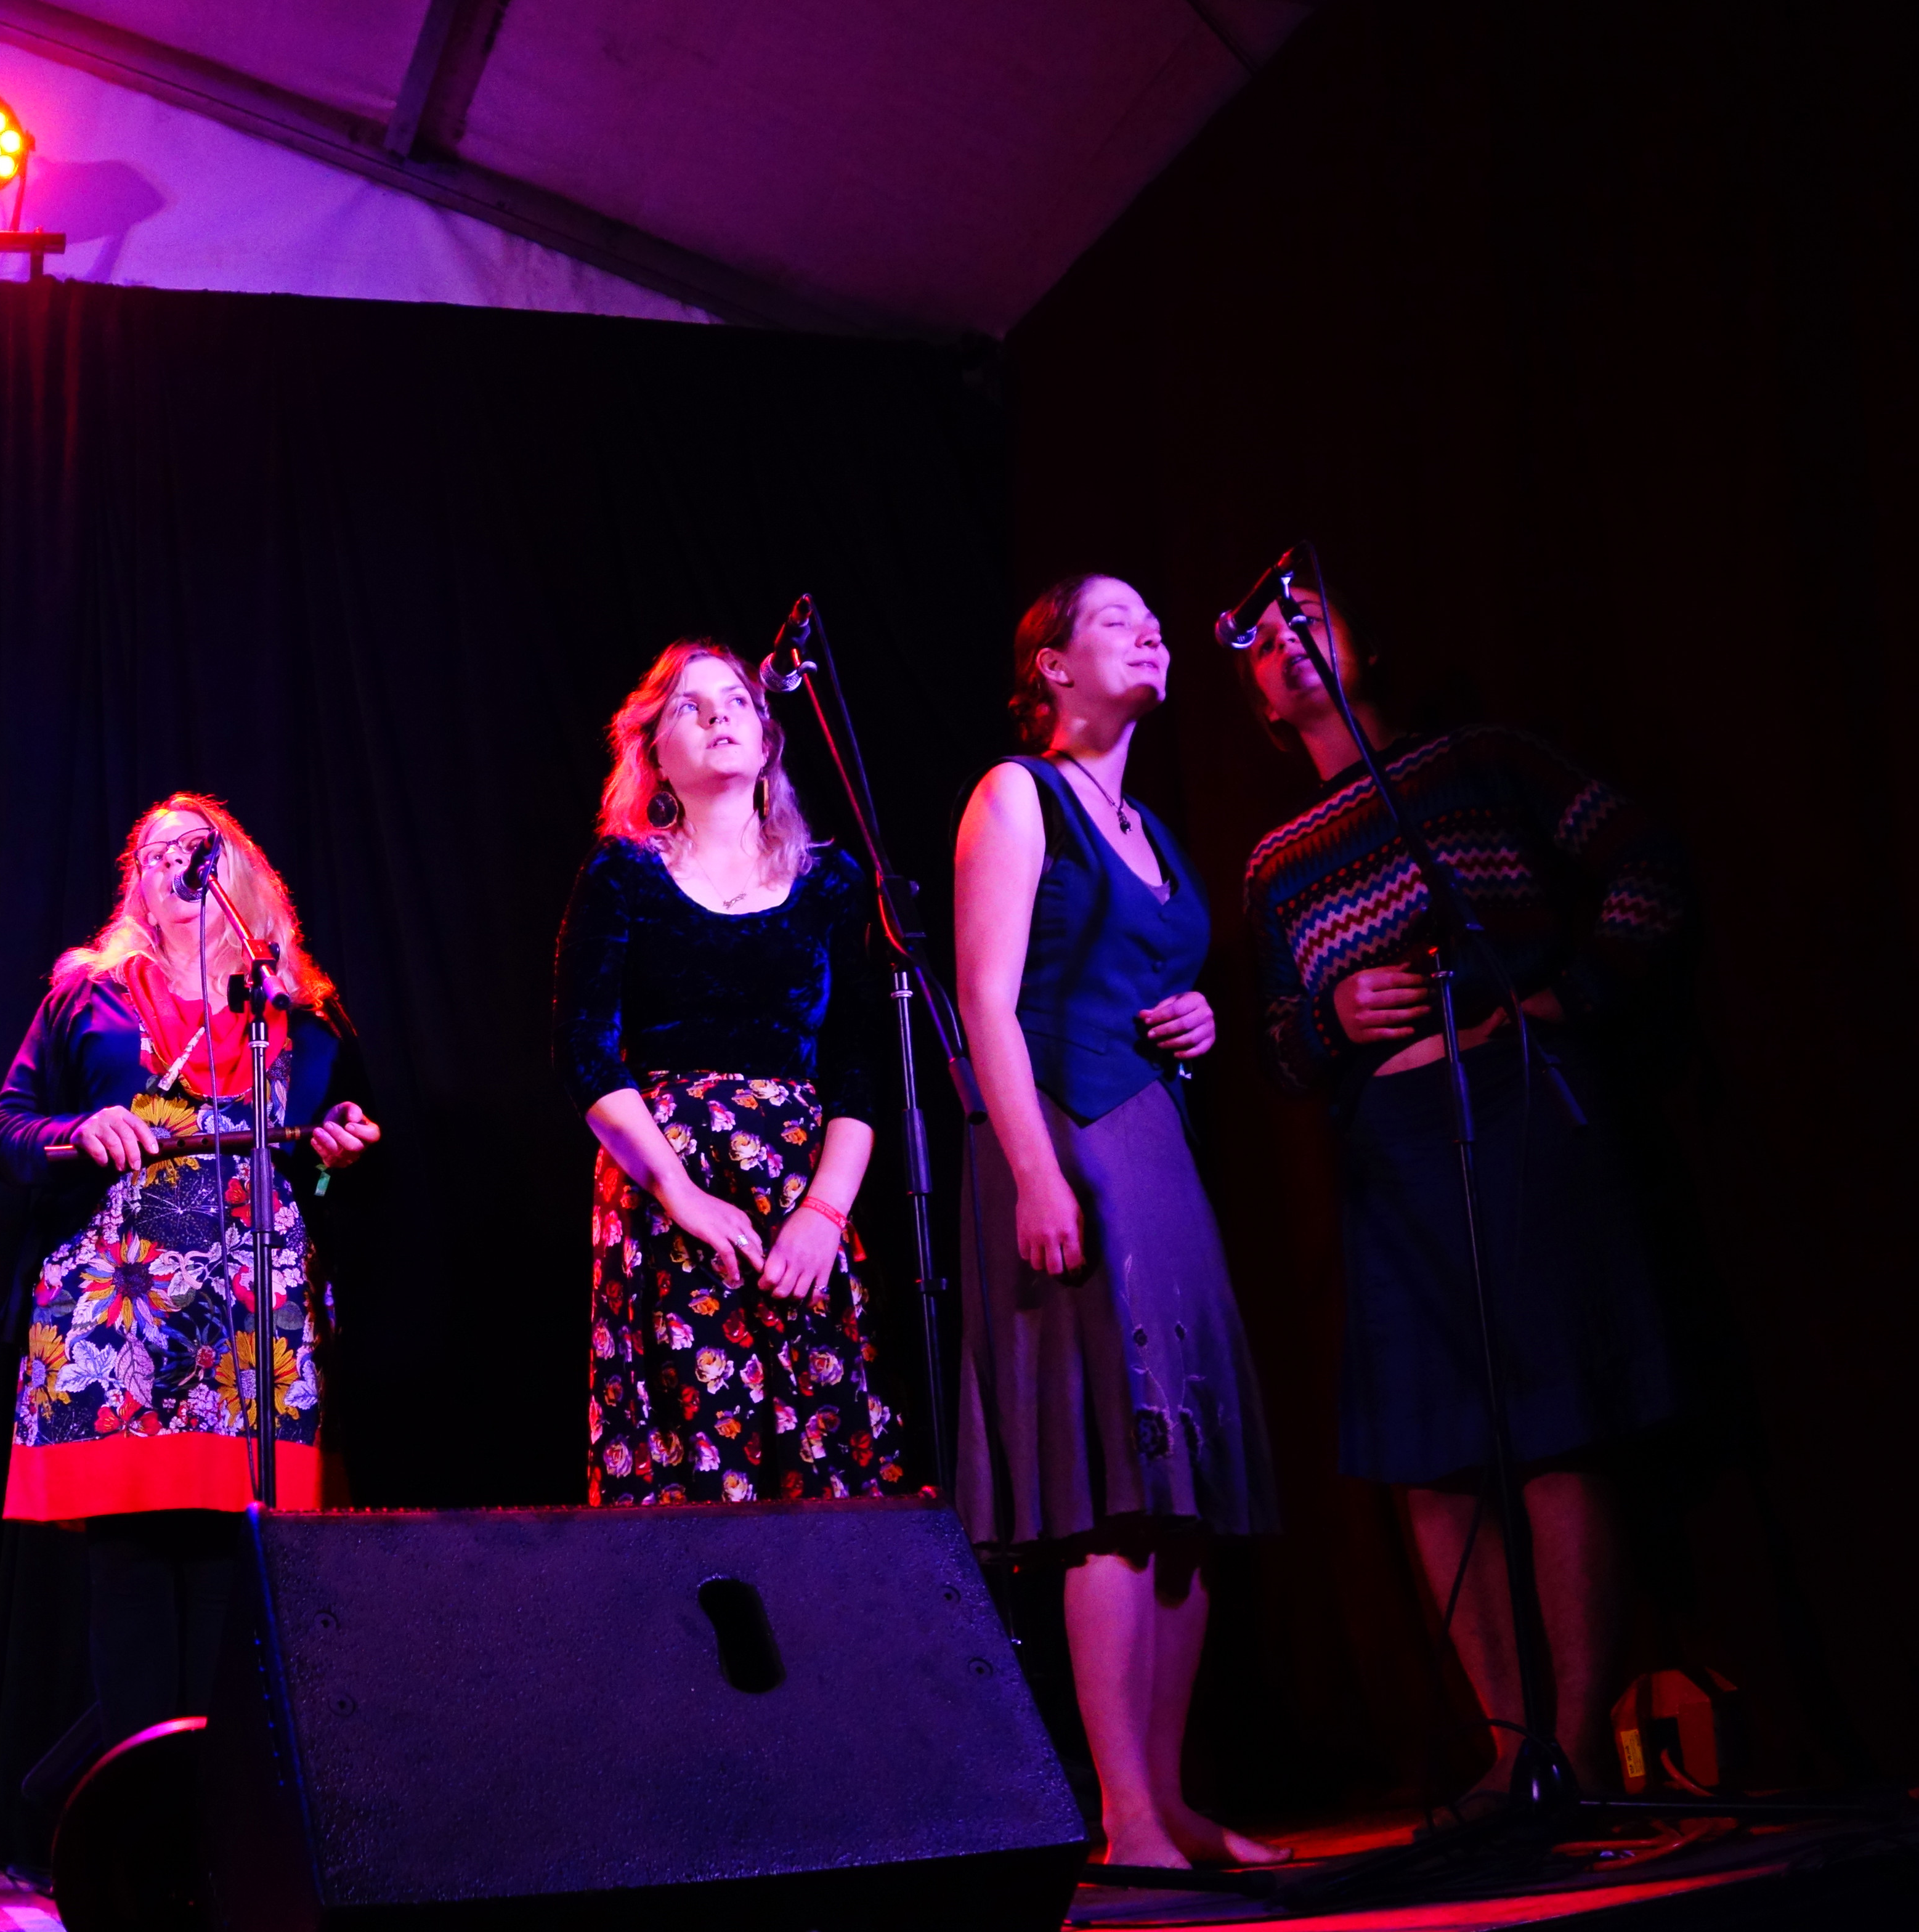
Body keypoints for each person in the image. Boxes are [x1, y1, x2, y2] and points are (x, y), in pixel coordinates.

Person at [1235, 582, 1685, 1801]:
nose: (1285, 643)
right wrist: (1327, 1019)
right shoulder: (1274, 859)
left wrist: (1572, 994)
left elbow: (1641, 858)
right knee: (1431, 1448)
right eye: (1262, 643)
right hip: (1391, 1147)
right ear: (1259, 704)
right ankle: (1506, 1756)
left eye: (1305, 617)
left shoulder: (1480, 759)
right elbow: (1273, 1046)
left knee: (1555, 1421)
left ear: (1365, 641)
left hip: (1520, 1101)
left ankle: (1577, 1749)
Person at [947, 577, 1280, 1869]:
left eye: (1153, 620)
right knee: (1115, 1482)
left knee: (1185, 1484)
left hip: (1154, 1146)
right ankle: (1125, 1812)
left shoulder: (1148, 826)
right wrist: (1035, 1175)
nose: (1151, 633)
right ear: (1051, 664)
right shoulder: (1014, 794)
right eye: (1115, 620)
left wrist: (1196, 1018)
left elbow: (1151, 974)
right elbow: (984, 997)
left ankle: (1173, 1797)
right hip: (1063, 1138)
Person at [0, 795, 379, 1796]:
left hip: (251, 1317)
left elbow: (334, 1161)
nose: (176, 862)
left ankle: (196, 1826)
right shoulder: (87, 996)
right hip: (118, 1308)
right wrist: (77, 1131)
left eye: (197, 848)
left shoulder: (300, 1020)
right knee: (130, 1564)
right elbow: (3, 1129)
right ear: (137, 889)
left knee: (226, 1570)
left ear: (241, 875)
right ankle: (131, 1832)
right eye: (156, 853)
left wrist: (338, 1152)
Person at [553, 638, 903, 1505]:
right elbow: (585, 1051)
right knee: (692, 1461)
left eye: (736, 701)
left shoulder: (831, 882)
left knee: (817, 1455)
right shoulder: (622, 874)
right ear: (652, 753)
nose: (717, 715)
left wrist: (824, 1213)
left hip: (800, 1191)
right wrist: (678, 1193)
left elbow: (858, 1065)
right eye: (689, 705)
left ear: (766, 737)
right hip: (664, 1191)